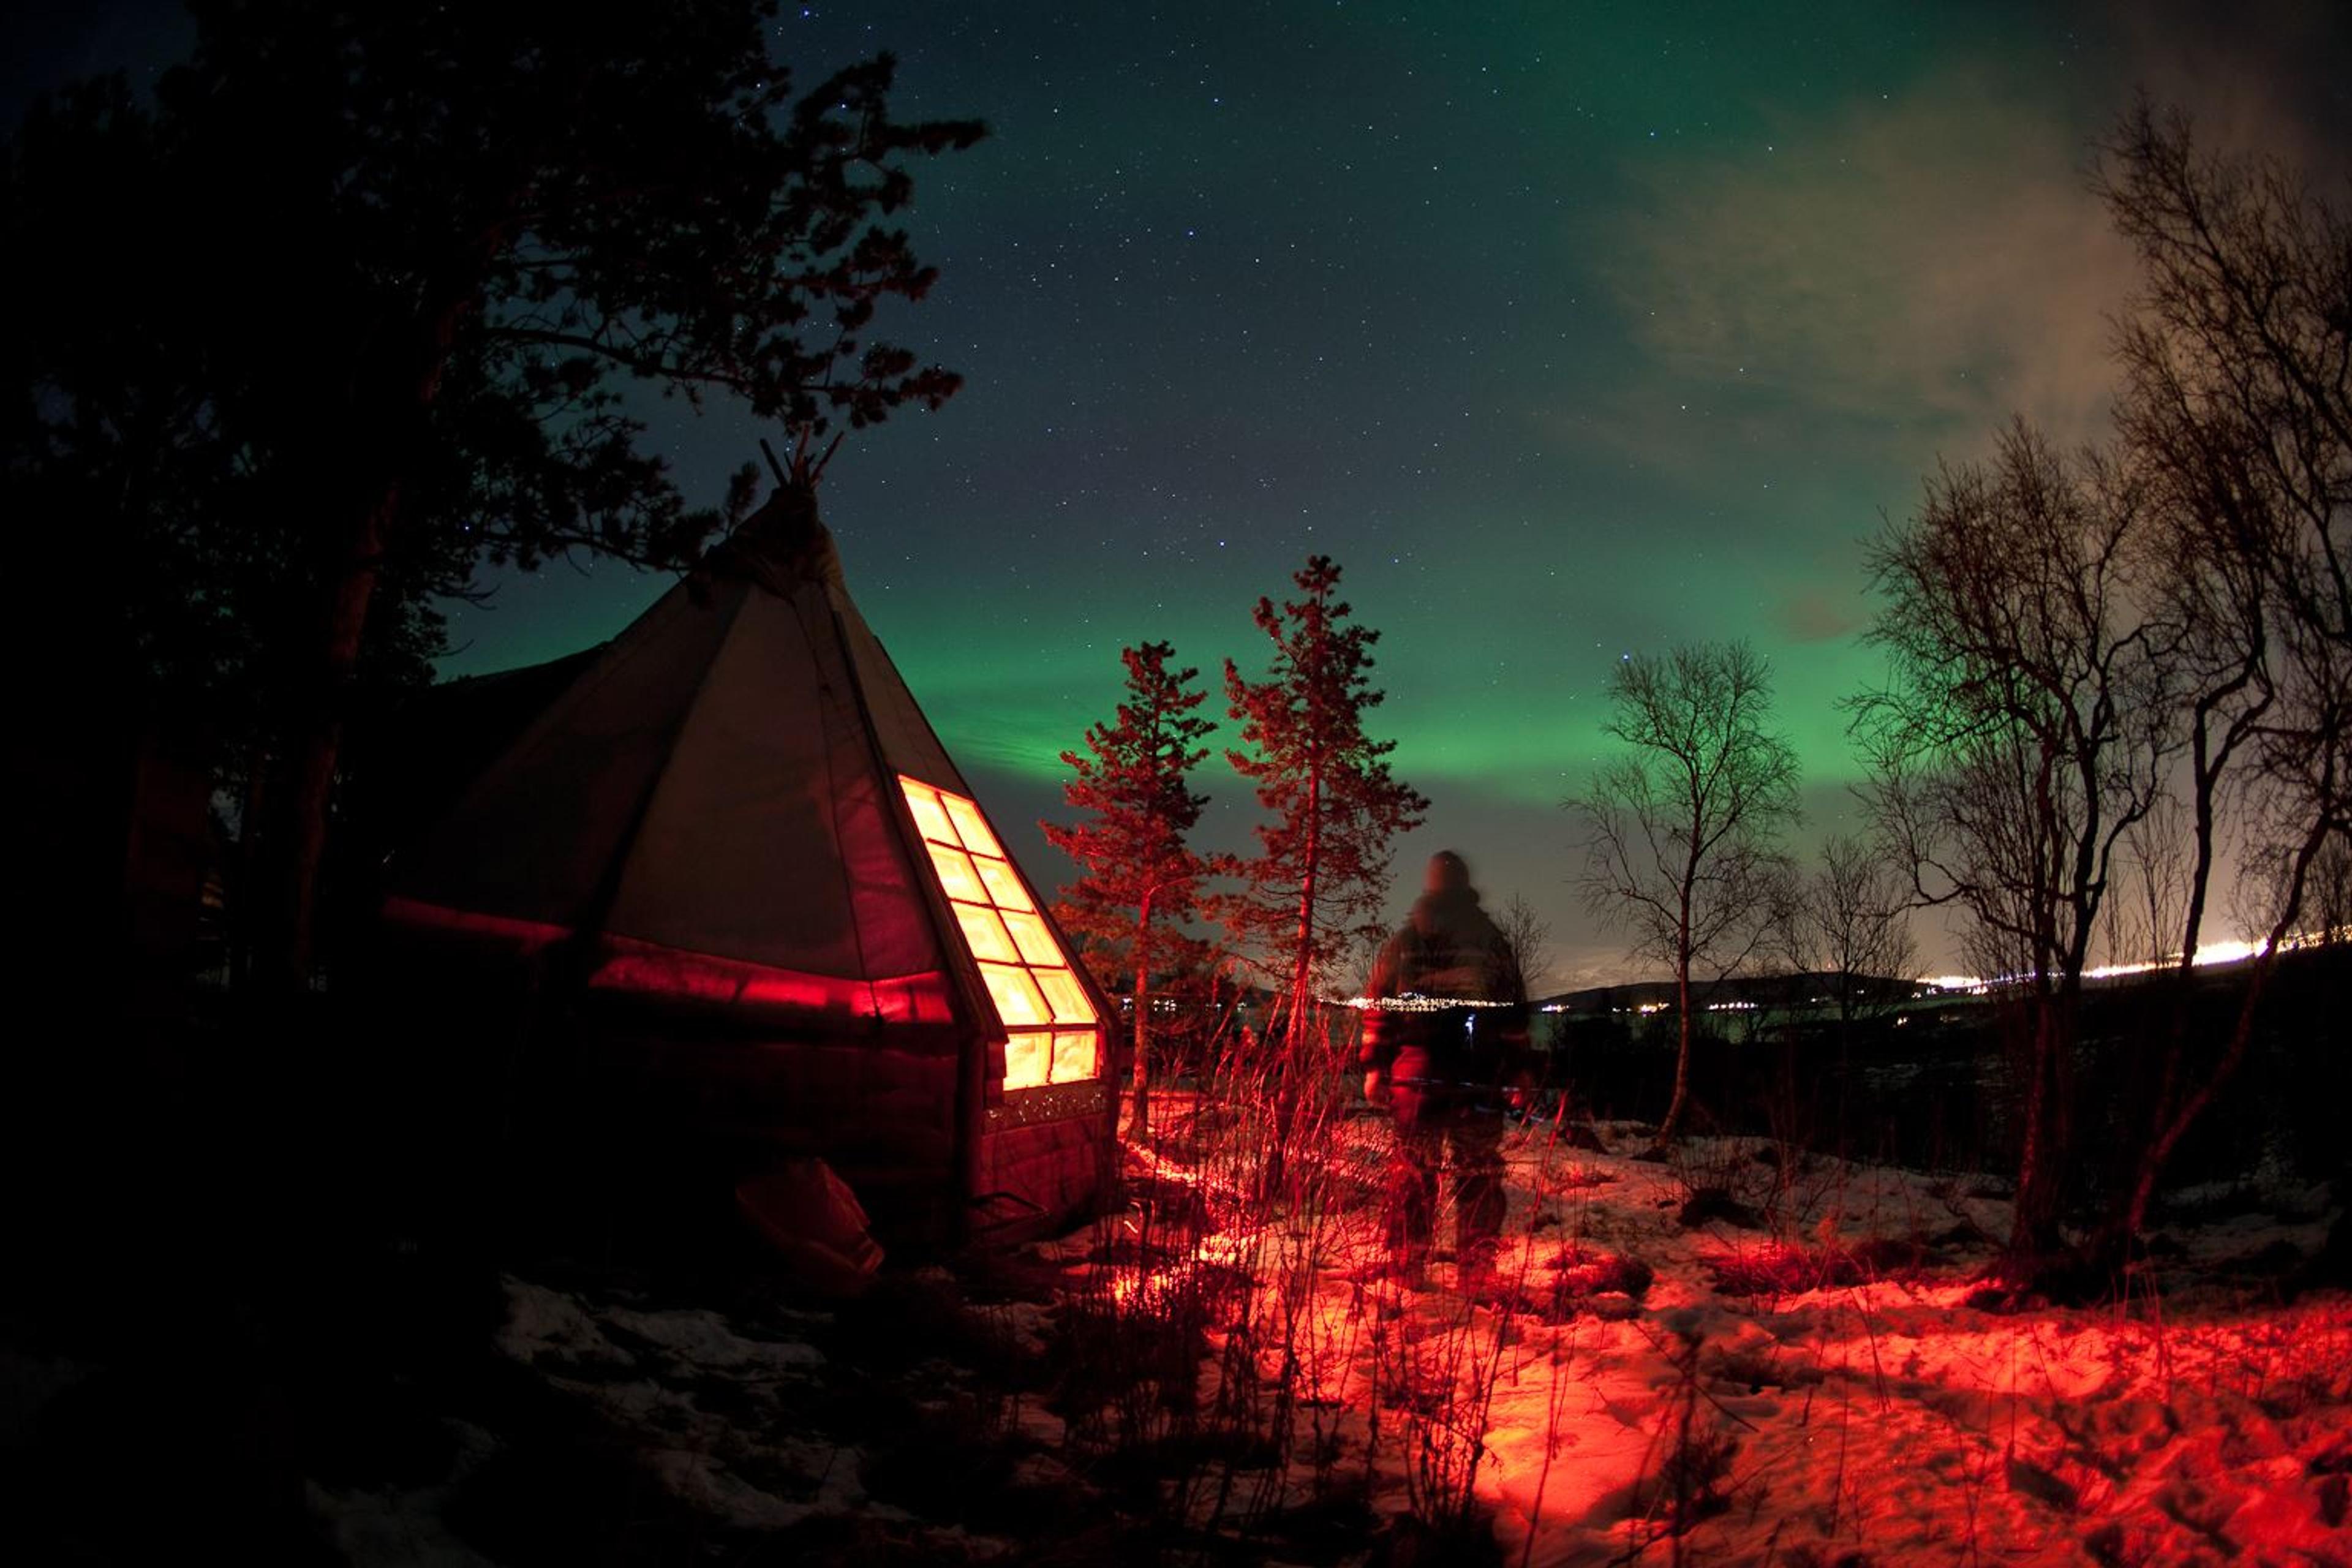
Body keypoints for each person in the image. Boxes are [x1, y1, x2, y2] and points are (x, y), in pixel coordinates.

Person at [1359, 850, 1531, 1291]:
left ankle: (1407, 1265)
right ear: (1466, 885)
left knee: (1414, 1172)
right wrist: (1519, 1071)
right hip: (1478, 1076)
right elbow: (1514, 1016)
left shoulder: (1405, 942)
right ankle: (1475, 1270)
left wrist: (1375, 1067)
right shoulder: (1491, 939)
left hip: (1417, 1077)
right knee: (1478, 1175)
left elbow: (1379, 1008)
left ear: (1431, 885)